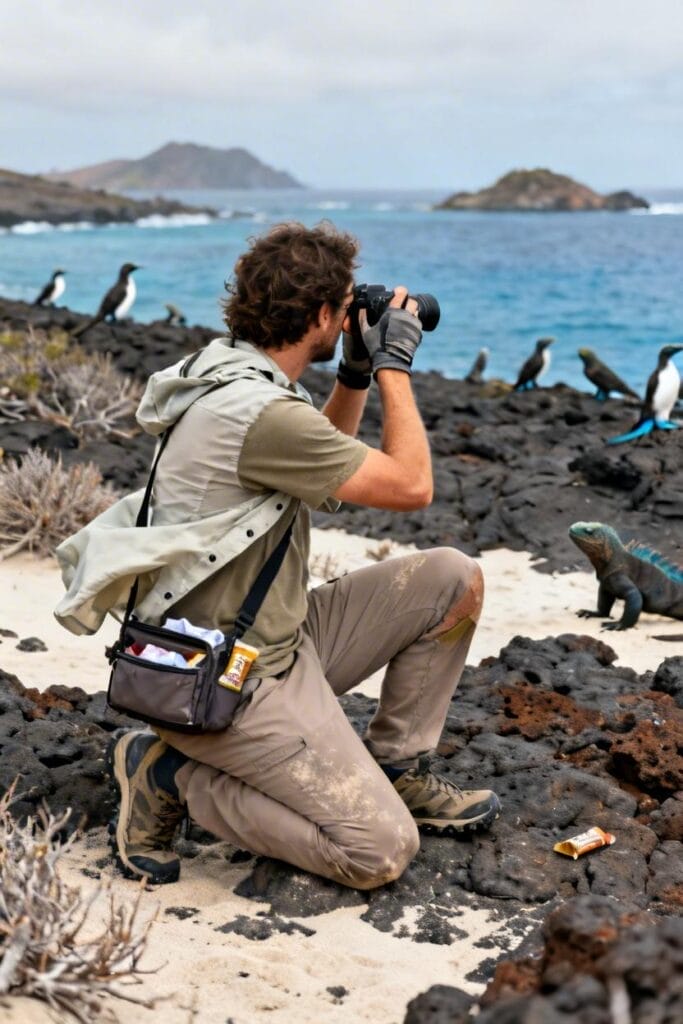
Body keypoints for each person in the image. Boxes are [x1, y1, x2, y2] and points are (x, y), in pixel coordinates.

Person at [58, 221, 500, 890]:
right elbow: (412, 487)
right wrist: (392, 369)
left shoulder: (239, 383)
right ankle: (169, 776)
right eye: (344, 305)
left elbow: (320, 479)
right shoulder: (256, 413)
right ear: (322, 313)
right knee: (376, 851)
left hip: (275, 640)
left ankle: (397, 769)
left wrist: (352, 371)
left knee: (449, 578)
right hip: (220, 681)